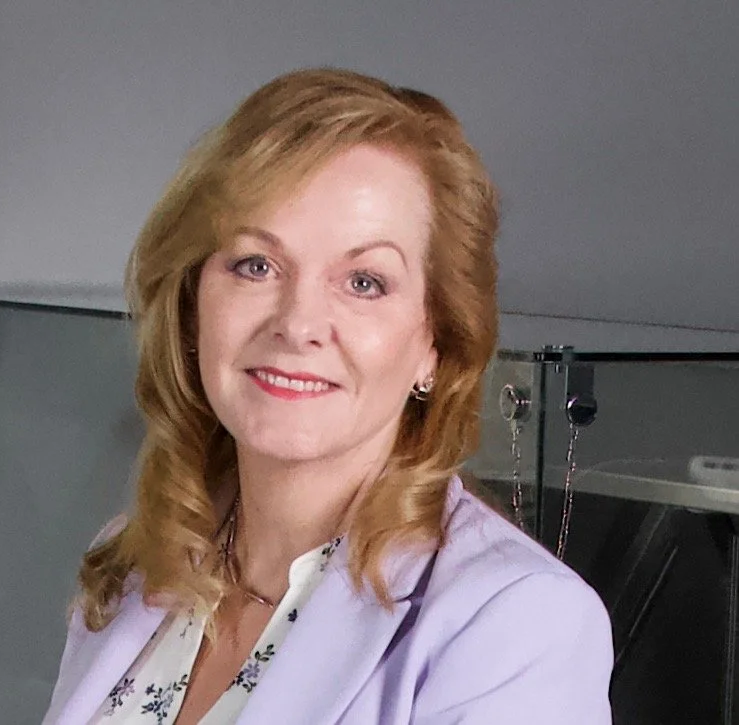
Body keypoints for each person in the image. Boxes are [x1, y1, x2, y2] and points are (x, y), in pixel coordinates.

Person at [42, 67, 613, 725]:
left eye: (364, 282)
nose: (298, 323)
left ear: (436, 340)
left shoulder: (513, 625)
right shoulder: (141, 560)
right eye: (255, 265)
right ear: (192, 303)